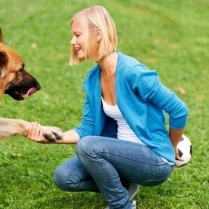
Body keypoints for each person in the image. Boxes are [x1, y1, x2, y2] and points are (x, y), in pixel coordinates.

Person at [26, 5, 189, 209]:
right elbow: (87, 128)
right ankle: (123, 187)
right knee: (65, 177)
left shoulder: (134, 72)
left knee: (87, 146)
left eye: (77, 35)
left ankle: (121, 205)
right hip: (121, 156)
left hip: (154, 160)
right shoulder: (94, 79)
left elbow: (179, 109)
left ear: (98, 34)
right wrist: (50, 137)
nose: (72, 42)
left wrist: (171, 147)